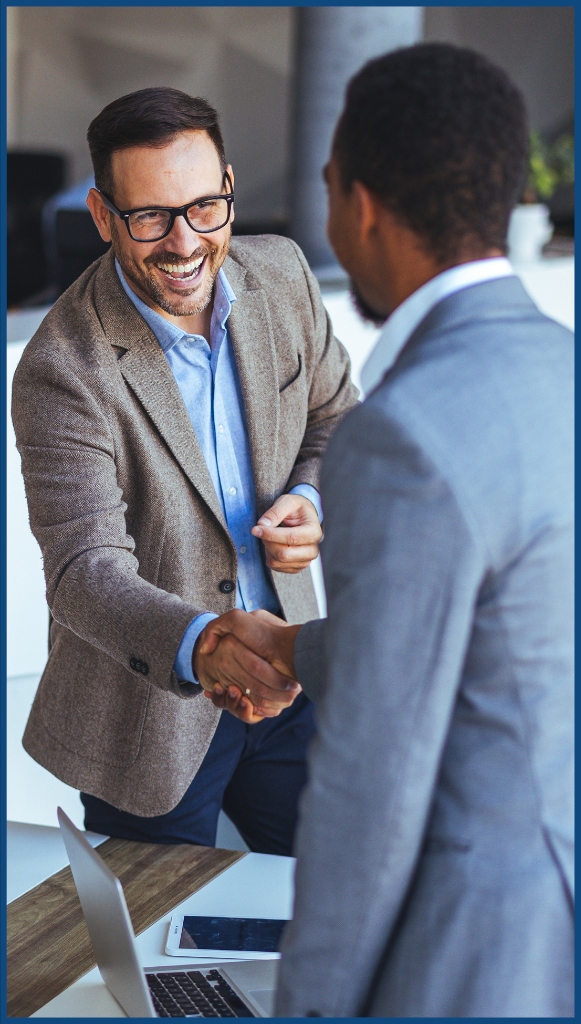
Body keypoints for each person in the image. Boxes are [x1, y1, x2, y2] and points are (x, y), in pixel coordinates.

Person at [200, 44, 574, 1016]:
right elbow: (503, 635)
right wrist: (292, 645)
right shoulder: (560, 369)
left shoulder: (398, 434)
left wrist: (311, 1007)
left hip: (468, 960)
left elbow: (370, 790)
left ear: (356, 204)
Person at [12, 86, 358, 853]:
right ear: (103, 216)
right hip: (146, 715)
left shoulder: (283, 276)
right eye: (149, 217)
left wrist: (309, 495)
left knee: (329, 900)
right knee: (155, 951)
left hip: (290, 671)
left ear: (229, 187)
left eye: (205, 207)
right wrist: (205, 643)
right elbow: (83, 572)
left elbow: (338, 416)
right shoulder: (61, 368)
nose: (184, 241)